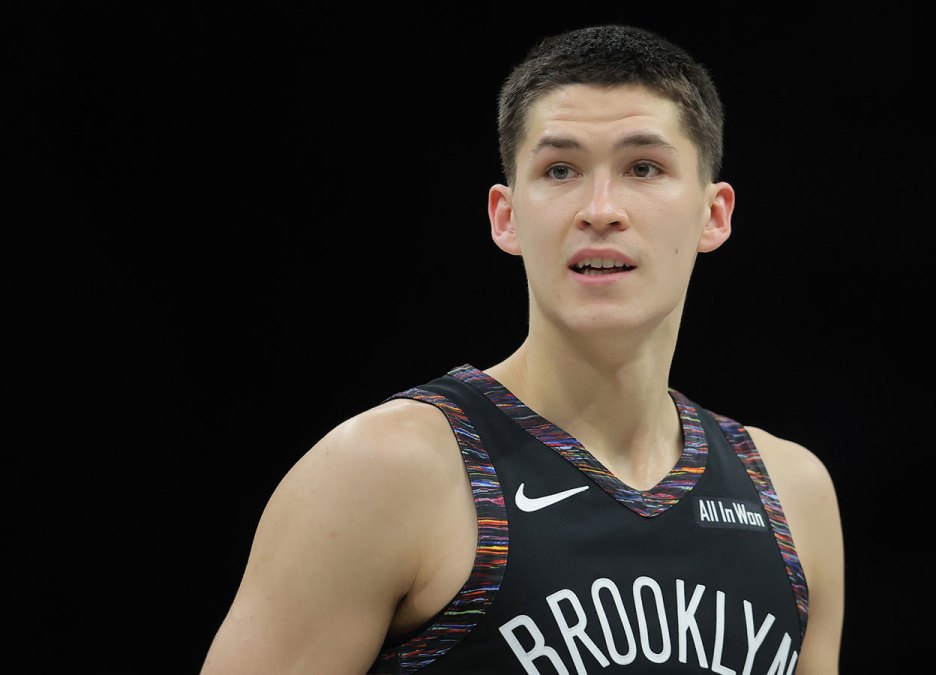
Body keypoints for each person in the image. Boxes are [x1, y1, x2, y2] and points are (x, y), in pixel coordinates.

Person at [200, 23, 844, 675]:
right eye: (560, 169)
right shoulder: (387, 471)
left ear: (714, 214)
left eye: (643, 167)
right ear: (506, 216)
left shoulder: (791, 493)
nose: (601, 209)